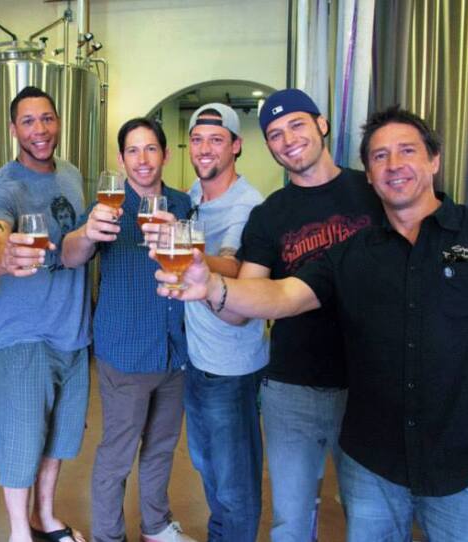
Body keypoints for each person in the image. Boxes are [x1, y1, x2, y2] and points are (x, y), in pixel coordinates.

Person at [158, 106, 468, 541]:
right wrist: (210, 287)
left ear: (434, 160)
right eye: (379, 157)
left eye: (407, 151)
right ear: (370, 177)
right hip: (373, 467)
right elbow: (283, 294)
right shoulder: (354, 251)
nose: (394, 165)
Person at [241, 89, 383, 540]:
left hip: (369, 383)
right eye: (275, 134)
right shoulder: (269, 214)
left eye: (297, 125)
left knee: (373, 517)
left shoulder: (374, 188)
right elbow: (249, 291)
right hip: (291, 388)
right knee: (291, 520)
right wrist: (207, 284)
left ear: (322, 125)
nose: (288, 140)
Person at [61, 118, 196, 542]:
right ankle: (108, 536)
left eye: (150, 149)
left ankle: (155, 526)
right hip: (126, 349)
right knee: (118, 454)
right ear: (121, 159)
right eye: (133, 151)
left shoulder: (181, 204)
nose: (142, 159)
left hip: (175, 349)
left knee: (161, 447)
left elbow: (197, 267)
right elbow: (70, 254)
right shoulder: (108, 207)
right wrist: (86, 232)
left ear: (165, 154)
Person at [0, 86, 91, 542]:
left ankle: (45, 516)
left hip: (73, 334)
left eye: (47, 119)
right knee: (22, 444)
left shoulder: (72, 174)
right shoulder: (4, 185)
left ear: (58, 121)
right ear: (12, 129)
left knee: (59, 439)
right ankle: (19, 534)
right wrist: (2, 256)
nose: (39, 130)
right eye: (28, 121)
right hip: (25, 337)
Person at [181, 103, 268, 541]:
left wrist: (191, 257)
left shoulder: (251, 206)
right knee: (208, 469)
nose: (204, 148)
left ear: (236, 146)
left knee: (235, 484)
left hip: (231, 367)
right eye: (197, 139)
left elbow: (234, 266)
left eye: (216, 139)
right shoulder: (192, 196)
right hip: (196, 360)